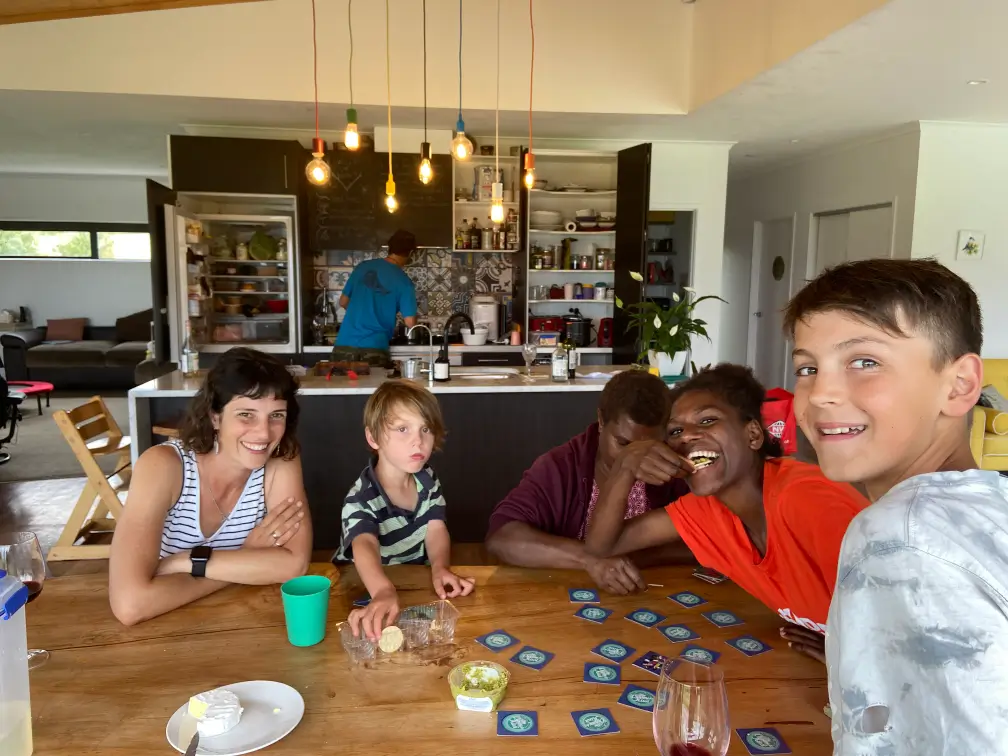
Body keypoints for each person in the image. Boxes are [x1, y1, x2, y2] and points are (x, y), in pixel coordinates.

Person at [785, 258, 1008, 755]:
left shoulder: (901, 534)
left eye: (865, 361)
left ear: (960, 385)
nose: (821, 393)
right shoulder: (987, 504)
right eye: (807, 367)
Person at [584, 364, 869, 659]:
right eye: (675, 431)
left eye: (707, 420)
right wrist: (626, 467)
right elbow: (603, 546)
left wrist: (846, 658)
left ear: (753, 435)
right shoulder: (705, 511)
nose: (687, 437)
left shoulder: (805, 499)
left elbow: (908, 614)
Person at [109, 348, 312, 626]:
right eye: (246, 414)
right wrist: (245, 557)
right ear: (215, 417)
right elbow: (130, 605)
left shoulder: (280, 460)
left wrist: (189, 562)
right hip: (163, 626)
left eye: (276, 415)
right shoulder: (164, 467)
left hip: (239, 621)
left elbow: (293, 566)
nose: (264, 433)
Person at [486, 370, 693, 594]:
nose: (636, 458)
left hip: (654, 592)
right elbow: (502, 538)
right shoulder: (560, 466)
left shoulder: (674, 465)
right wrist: (589, 559)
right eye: (624, 443)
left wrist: (637, 556)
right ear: (601, 421)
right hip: (566, 597)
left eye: (650, 446)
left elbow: (711, 536)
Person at [336, 380, 474, 641]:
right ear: (373, 437)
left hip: (414, 582)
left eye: (425, 429)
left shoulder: (427, 479)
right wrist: (382, 589)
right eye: (402, 429)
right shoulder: (362, 497)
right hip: (366, 588)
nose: (418, 441)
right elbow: (364, 544)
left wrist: (440, 568)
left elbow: (436, 528)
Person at [332, 229, 419, 367]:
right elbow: (410, 323)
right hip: (374, 348)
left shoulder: (362, 267)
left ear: (390, 248)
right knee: (372, 389)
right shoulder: (404, 282)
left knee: (342, 388)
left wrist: (363, 313)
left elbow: (343, 302)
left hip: (345, 344)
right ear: (411, 253)